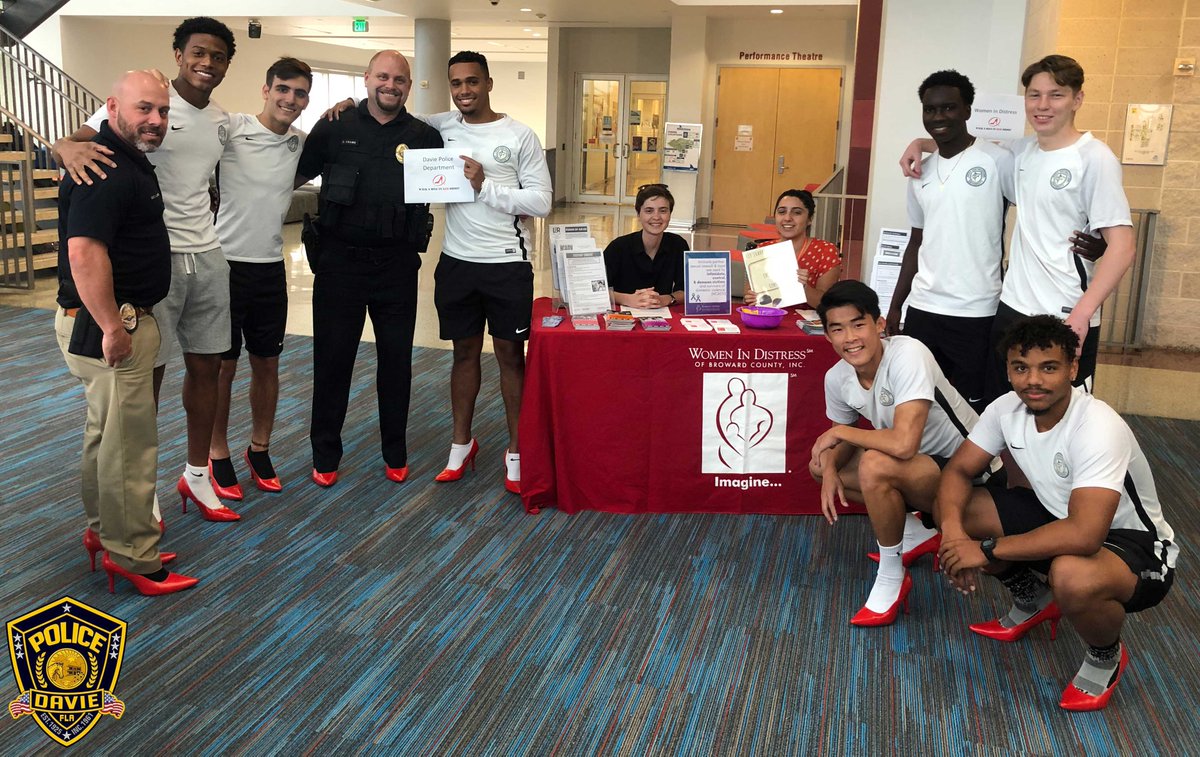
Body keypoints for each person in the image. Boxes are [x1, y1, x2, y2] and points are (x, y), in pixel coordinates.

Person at [937, 315, 1177, 711]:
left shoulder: (1097, 425)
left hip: (1136, 545)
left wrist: (987, 550)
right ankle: (1032, 596)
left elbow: (1085, 535)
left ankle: (1106, 655)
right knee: (965, 510)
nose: (1033, 380)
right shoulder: (1004, 409)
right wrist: (951, 534)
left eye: (1048, 367)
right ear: (1009, 370)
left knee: (1071, 574)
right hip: (1059, 517)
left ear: (1072, 369)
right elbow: (958, 471)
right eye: (1021, 368)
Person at [53, 17, 241, 524]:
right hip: (153, 261)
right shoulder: (145, 102)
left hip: (209, 256)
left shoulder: (221, 119)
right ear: (179, 54)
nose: (207, 63)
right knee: (145, 377)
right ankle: (144, 492)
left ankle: (196, 475)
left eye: (218, 56)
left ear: (226, 65)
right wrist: (63, 146)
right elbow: (78, 139)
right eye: (198, 52)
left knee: (210, 368)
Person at [901, 55, 1133, 402]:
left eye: (1056, 95)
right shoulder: (1021, 152)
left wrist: (1083, 312)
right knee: (1003, 408)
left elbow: (1124, 246)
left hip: (1065, 310)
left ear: (1077, 99)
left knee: (1058, 411)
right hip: (1011, 306)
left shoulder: (1094, 157)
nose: (1043, 105)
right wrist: (918, 144)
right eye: (1034, 95)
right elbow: (960, 145)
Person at [54, 70, 198, 596]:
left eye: (162, 112)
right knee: (129, 445)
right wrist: (115, 326)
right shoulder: (107, 169)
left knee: (104, 435)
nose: (155, 120)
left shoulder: (123, 159)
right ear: (112, 107)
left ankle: (104, 535)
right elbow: (84, 252)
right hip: (114, 325)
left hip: (110, 320)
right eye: (144, 109)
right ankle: (134, 555)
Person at [295, 50, 443, 487]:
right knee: (332, 362)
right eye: (383, 76)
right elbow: (289, 174)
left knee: (396, 362)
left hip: (397, 266)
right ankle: (325, 455)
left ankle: (394, 452)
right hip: (339, 263)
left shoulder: (424, 136)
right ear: (366, 79)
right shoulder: (334, 126)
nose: (390, 85)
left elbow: (454, 182)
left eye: (399, 79)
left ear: (409, 87)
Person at [419, 51, 553, 493]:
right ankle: (461, 444)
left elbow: (541, 201)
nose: (463, 92)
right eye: (456, 83)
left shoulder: (519, 136)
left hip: (507, 264)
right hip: (457, 262)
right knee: (463, 354)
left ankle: (516, 449)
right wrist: (347, 107)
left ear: (489, 83)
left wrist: (485, 185)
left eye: (472, 82)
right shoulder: (441, 126)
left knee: (511, 357)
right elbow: (392, 115)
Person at [809, 280, 978, 627]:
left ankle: (892, 574)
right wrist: (828, 471)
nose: (850, 338)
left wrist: (839, 431)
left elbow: (903, 444)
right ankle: (919, 532)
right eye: (837, 329)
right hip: (916, 470)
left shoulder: (908, 353)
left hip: (968, 472)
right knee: (820, 465)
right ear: (826, 336)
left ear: (880, 324)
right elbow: (839, 447)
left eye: (858, 324)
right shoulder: (836, 377)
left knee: (875, 463)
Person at [207, 57, 312, 500]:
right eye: (283, 89)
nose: (290, 99)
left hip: (270, 266)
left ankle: (260, 448)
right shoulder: (231, 127)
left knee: (267, 363)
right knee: (222, 367)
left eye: (300, 93)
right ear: (265, 89)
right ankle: (216, 453)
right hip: (224, 264)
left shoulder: (300, 144)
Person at [886, 71, 1013, 414]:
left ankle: (969, 469)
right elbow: (916, 242)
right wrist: (897, 304)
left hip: (976, 309)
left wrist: (1092, 234)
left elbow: (1040, 208)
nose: (938, 117)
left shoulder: (997, 160)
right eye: (930, 110)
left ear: (968, 110)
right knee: (918, 401)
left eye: (948, 108)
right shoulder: (919, 173)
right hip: (923, 309)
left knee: (971, 404)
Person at [743, 189, 840, 309]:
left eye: (797, 213)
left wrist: (803, 287)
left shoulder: (825, 251)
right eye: (782, 212)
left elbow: (827, 305)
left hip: (807, 323)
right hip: (769, 319)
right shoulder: (763, 249)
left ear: (810, 219)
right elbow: (748, 297)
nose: (787, 218)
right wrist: (750, 298)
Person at [603, 184, 688, 311]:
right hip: (622, 318)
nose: (656, 217)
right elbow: (596, 290)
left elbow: (687, 290)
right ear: (638, 214)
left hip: (661, 314)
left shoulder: (678, 244)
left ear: (670, 214)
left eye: (663, 210)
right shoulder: (618, 247)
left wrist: (666, 298)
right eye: (649, 210)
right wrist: (629, 299)